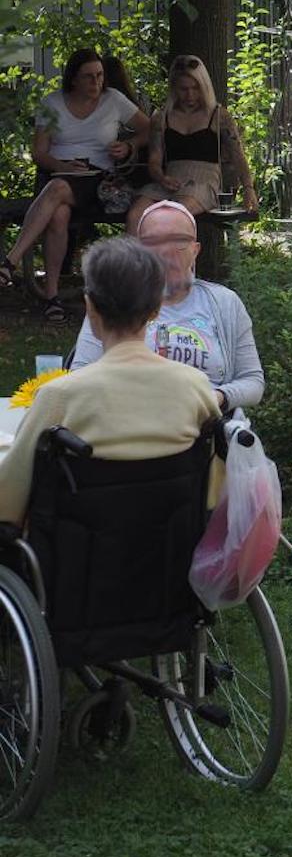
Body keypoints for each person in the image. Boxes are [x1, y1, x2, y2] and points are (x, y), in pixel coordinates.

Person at [0, 237, 221, 525]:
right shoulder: (196, 389)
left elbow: (7, 505)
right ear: (156, 309)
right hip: (171, 562)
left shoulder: (59, 397)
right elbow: (213, 497)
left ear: (90, 307)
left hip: (74, 564)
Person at [0, 48, 150, 322]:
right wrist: (62, 167)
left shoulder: (113, 100)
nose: (96, 83)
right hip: (58, 174)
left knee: (57, 192)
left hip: (96, 178)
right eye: (89, 77)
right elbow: (39, 152)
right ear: (73, 79)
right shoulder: (52, 103)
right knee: (58, 213)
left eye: (100, 75)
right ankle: (52, 297)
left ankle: (10, 262)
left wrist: (129, 146)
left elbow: (149, 129)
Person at [71, 201, 265, 412]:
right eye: (153, 241)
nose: (165, 251)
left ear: (195, 250)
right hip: (128, 422)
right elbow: (81, 373)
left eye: (179, 240)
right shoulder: (115, 298)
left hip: (206, 428)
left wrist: (216, 398)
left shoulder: (225, 303)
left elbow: (252, 380)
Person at [128, 55, 259, 233]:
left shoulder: (219, 116)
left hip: (204, 183)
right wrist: (161, 177)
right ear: (174, 88)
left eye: (195, 88)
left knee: (173, 214)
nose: (190, 95)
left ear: (204, 86)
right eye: (183, 89)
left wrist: (248, 188)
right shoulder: (161, 117)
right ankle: (133, 260)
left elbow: (238, 156)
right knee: (136, 214)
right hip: (170, 180)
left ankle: (171, 258)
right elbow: (154, 160)